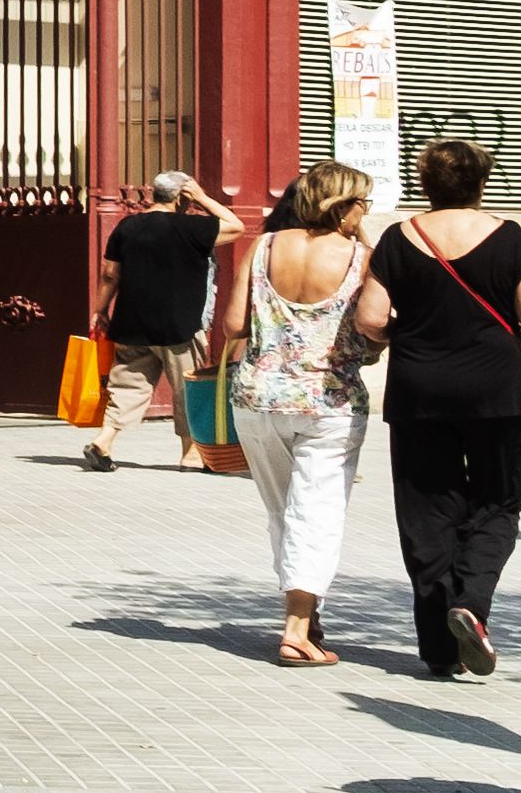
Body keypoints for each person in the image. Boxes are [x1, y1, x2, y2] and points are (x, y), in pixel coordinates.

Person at [353, 134, 521, 679]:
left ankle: (439, 650)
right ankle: (471, 601)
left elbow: (370, 320)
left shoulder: (398, 239)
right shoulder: (509, 237)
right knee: (498, 500)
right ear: (481, 182)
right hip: (495, 390)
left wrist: (417, 333)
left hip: (418, 389)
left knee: (427, 511)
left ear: (426, 183)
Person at [230, 161, 377, 666]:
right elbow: (374, 330)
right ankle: (296, 628)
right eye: (364, 202)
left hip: (257, 396)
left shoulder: (265, 245)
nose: (366, 212)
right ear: (344, 206)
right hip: (328, 400)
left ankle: (304, 614)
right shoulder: (361, 257)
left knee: (281, 510)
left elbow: (232, 322)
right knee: (317, 512)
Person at [84, 171, 234, 472]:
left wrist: (100, 310)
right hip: (178, 326)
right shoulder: (192, 227)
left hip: (131, 322)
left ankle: (104, 440)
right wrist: (203, 198)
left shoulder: (127, 227)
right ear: (182, 197)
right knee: (186, 389)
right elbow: (237, 227)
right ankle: (191, 454)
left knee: (127, 386)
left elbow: (110, 274)